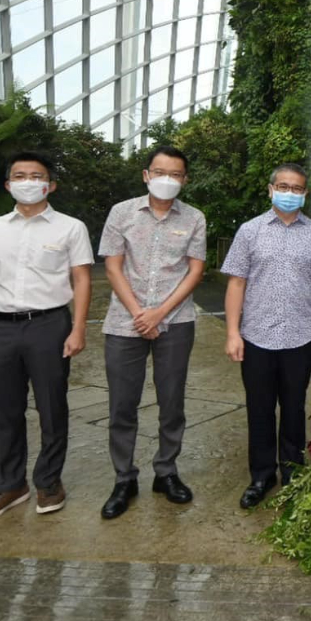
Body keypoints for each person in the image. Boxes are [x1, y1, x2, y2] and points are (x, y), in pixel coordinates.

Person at [0, 151, 93, 524]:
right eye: (20, 175)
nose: (28, 182)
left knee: (51, 405)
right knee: (4, 409)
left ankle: (48, 482)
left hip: (48, 325)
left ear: (51, 185)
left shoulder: (70, 227)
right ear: (8, 184)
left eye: (37, 176)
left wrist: (78, 328)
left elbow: (81, 279)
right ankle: (10, 485)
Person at [98, 145, 207, 520]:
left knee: (172, 402)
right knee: (122, 405)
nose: (167, 179)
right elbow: (112, 267)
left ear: (184, 180)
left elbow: (194, 271)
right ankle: (124, 478)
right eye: (159, 172)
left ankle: (167, 471)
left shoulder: (194, 218)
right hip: (123, 323)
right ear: (146, 175)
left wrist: (159, 312)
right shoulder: (121, 213)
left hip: (175, 323)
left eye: (175, 174)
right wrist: (138, 313)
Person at [222, 163, 311, 509]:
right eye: (283, 186)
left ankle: (292, 472)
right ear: (270, 189)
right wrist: (232, 332)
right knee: (259, 408)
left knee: (293, 407)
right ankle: (261, 476)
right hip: (255, 335)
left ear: (305, 194)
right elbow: (236, 282)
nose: (290, 193)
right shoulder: (249, 231)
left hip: (300, 336)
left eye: (297, 188)